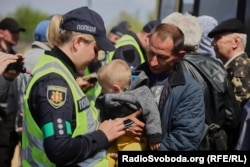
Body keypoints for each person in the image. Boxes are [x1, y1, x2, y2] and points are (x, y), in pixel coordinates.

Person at [21, 6, 128, 166]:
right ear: (78, 42)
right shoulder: (54, 83)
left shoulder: (61, 72)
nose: (95, 59)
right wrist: (103, 135)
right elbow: (60, 150)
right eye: (96, 50)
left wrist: (118, 125)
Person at [162, 12, 241, 150]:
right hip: (208, 145)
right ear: (197, 41)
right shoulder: (216, 67)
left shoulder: (163, 67)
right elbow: (232, 118)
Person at [136, 23, 205, 150]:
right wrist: (127, 123)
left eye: (162, 57)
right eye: (151, 53)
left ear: (179, 56)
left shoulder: (189, 90)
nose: (153, 62)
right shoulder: (133, 77)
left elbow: (185, 140)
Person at [96, 59, 162, 166]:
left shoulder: (141, 93)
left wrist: (154, 136)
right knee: (106, 160)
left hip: (134, 140)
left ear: (116, 89)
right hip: (116, 140)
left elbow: (152, 112)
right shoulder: (106, 99)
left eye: (103, 88)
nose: (101, 91)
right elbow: (103, 118)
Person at [0, 17, 26, 167]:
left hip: (12, 117)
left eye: (18, 32)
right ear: (1, 33)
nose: (16, 35)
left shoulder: (14, 56)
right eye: (13, 31)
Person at [208, 18, 250, 108]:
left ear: (235, 42)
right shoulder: (238, 65)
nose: (212, 43)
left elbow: (238, 112)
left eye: (217, 38)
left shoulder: (239, 70)